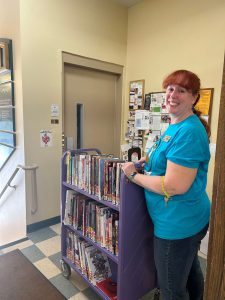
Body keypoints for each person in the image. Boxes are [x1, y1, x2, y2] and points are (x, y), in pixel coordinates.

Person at [122, 70, 211, 300]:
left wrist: (134, 176)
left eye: (181, 90)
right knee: (189, 271)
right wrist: (146, 161)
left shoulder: (189, 131)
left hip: (178, 225)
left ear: (194, 98)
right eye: (170, 88)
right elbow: (166, 159)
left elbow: (173, 186)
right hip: (186, 219)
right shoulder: (175, 125)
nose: (173, 94)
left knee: (171, 287)